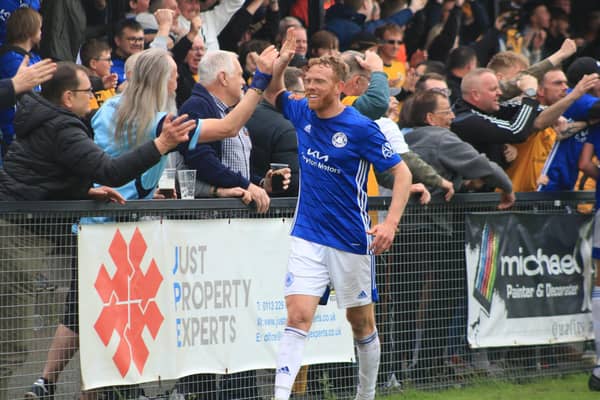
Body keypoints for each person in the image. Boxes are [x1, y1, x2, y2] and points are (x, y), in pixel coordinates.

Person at [24, 45, 280, 400]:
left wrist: (145, 193)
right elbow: (228, 126)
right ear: (162, 80)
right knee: (108, 314)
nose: (179, 79)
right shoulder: (161, 123)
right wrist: (261, 81)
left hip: (92, 221)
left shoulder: (107, 107)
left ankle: (54, 384)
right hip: (122, 227)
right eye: (174, 72)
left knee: (85, 307)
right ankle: (84, 387)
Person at [1, 60, 194, 400]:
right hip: (19, 235)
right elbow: (111, 170)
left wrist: (82, 191)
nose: (94, 97)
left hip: (22, 228)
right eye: (87, 92)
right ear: (67, 97)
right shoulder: (64, 128)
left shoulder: (45, 118)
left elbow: (38, 174)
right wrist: (161, 145)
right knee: (11, 345)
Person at [265, 29, 412, 400]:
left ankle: (366, 395)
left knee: (360, 323)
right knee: (298, 317)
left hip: (350, 238)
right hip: (307, 235)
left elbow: (402, 173)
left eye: (319, 82)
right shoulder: (302, 112)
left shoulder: (361, 128)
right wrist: (281, 66)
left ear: (341, 87)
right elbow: (275, 93)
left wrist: (390, 223)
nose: (310, 87)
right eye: (309, 80)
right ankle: (280, 396)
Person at [0, 7, 42, 156]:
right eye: (40, 28)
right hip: (13, 131)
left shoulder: (34, 57)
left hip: (31, 130)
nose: (42, 32)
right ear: (30, 31)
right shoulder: (10, 58)